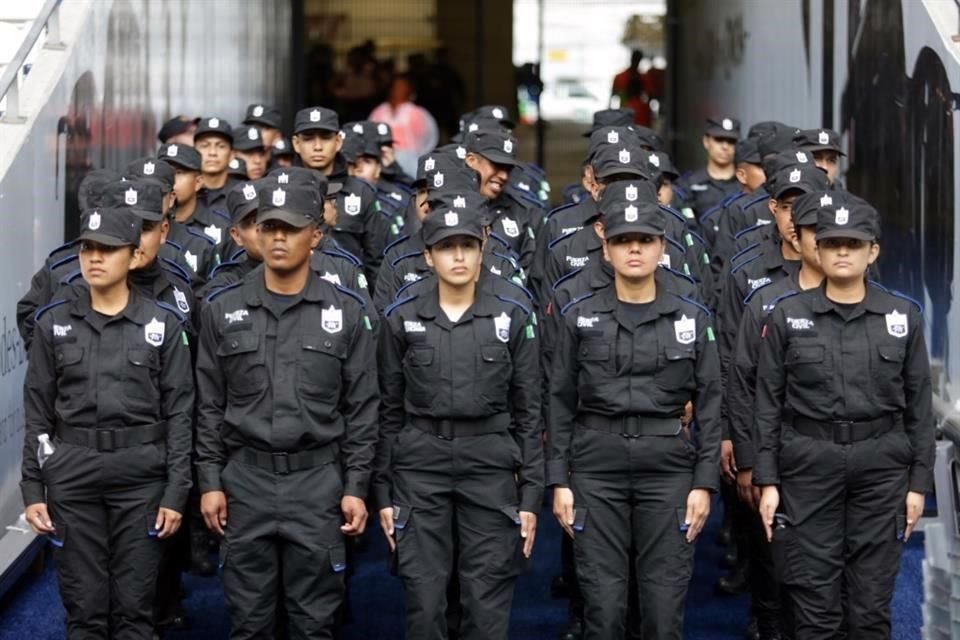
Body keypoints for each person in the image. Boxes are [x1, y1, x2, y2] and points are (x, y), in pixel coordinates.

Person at [195, 179, 378, 639]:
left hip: (317, 483)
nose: (277, 237)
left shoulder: (347, 312)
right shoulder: (222, 309)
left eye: (290, 228)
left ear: (316, 234)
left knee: (314, 624)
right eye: (268, 226)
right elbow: (208, 405)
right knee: (249, 624)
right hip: (245, 482)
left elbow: (362, 409)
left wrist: (356, 486)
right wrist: (210, 482)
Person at [754, 199, 934, 638]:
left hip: (882, 468)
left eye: (853, 244)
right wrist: (768, 480)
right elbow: (767, 404)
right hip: (808, 466)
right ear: (818, 249)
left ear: (873, 251)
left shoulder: (902, 317)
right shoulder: (787, 315)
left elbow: (920, 406)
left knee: (871, 606)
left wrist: (918, 484)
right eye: (832, 243)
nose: (841, 253)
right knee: (815, 605)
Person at [548, 191, 720, 640]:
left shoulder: (692, 316)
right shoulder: (578, 315)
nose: (635, 249)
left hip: (667, 470)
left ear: (663, 247)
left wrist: (703, 483)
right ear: (606, 248)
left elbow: (712, 403)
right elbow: (560, 399)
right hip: (595, 468)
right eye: (624, 241)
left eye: (645, 239)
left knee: (662, 611)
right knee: (602, 610)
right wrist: (559, 481)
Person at [22, 206, 194, 639]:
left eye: (108, 249)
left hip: (141, 477)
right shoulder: (54, 322)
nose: (94, 258)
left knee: (137, 610)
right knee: (84, 609)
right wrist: (32, 488)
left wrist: (176, 492)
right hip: (73, 474)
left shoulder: (163, 324)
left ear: (135, 257)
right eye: (87, 248)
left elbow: (180, 413)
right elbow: (38, 409)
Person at [374, 202, 542, 640]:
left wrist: (530, 497)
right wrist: (383, 492)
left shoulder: (511, 314)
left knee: (486, 605)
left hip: (490, 466)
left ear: (483, 248)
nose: (460, 257)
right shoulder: (402, 316)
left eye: (468, 245)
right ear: (428, 256)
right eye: (447, 248)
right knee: (425, 605)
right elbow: (387, 410)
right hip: (419, 467)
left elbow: (529, 412)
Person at [369, 74, 439, 178]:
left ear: (410, 90)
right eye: (396, 86)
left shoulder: (416, 113)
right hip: (383, 160)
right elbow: (369, 134)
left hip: (410, 161)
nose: (397, 90)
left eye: (402, 86)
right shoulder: (380, 110)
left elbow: (428, 139)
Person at [677, 117, 742, 221]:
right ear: (706, 142)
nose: (725, 146)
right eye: (719, 139)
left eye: (731, 141)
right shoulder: (689, 184)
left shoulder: (745, 183)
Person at [610, 50, 653, 127]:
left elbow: (612, 97)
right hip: (637, 117)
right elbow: (650, 96)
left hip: (624, 116)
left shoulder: (620, 77)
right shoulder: (644, 78)